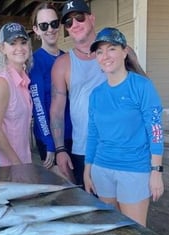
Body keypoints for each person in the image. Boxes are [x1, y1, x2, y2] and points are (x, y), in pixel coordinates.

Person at [84, 27, 164, 226]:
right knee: (112, 230)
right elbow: (93, 134)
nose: (105, 56)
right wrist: (88, 169)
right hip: (102, 169)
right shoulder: (96, 94)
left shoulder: (142, 86)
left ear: (124, 51)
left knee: (136, 233)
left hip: (134, 169)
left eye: (111, 49)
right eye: (100, 51)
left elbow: (155, 131)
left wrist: (156, 171)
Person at [50, 0, 106, 185]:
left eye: (79, 18)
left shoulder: (118, 52)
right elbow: (57, 111)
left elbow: (143, 95)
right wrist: (60, 149)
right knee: (93, 209)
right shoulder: (62, 63)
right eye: (68, 22)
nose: (74, 25)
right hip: (83, 150)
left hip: (121, 147)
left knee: (125, 209)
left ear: (92, 18)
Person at [0, 22, 33, 167]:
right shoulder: (2, 82)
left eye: (23, 42)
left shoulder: (23, 81)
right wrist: (17, 163)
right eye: (12, 43)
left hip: (18, 159)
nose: (19, 48)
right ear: (3, 48)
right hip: (2, 164)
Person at [29, 2, 73, 175]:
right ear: (36, 30)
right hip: (52, 139)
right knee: (65, 192)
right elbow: (38, 106)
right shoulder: (34, 62)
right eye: (44, 25)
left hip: (75, 136)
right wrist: (50, 144)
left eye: (54, 23)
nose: (50, 29)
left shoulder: (68, 58)